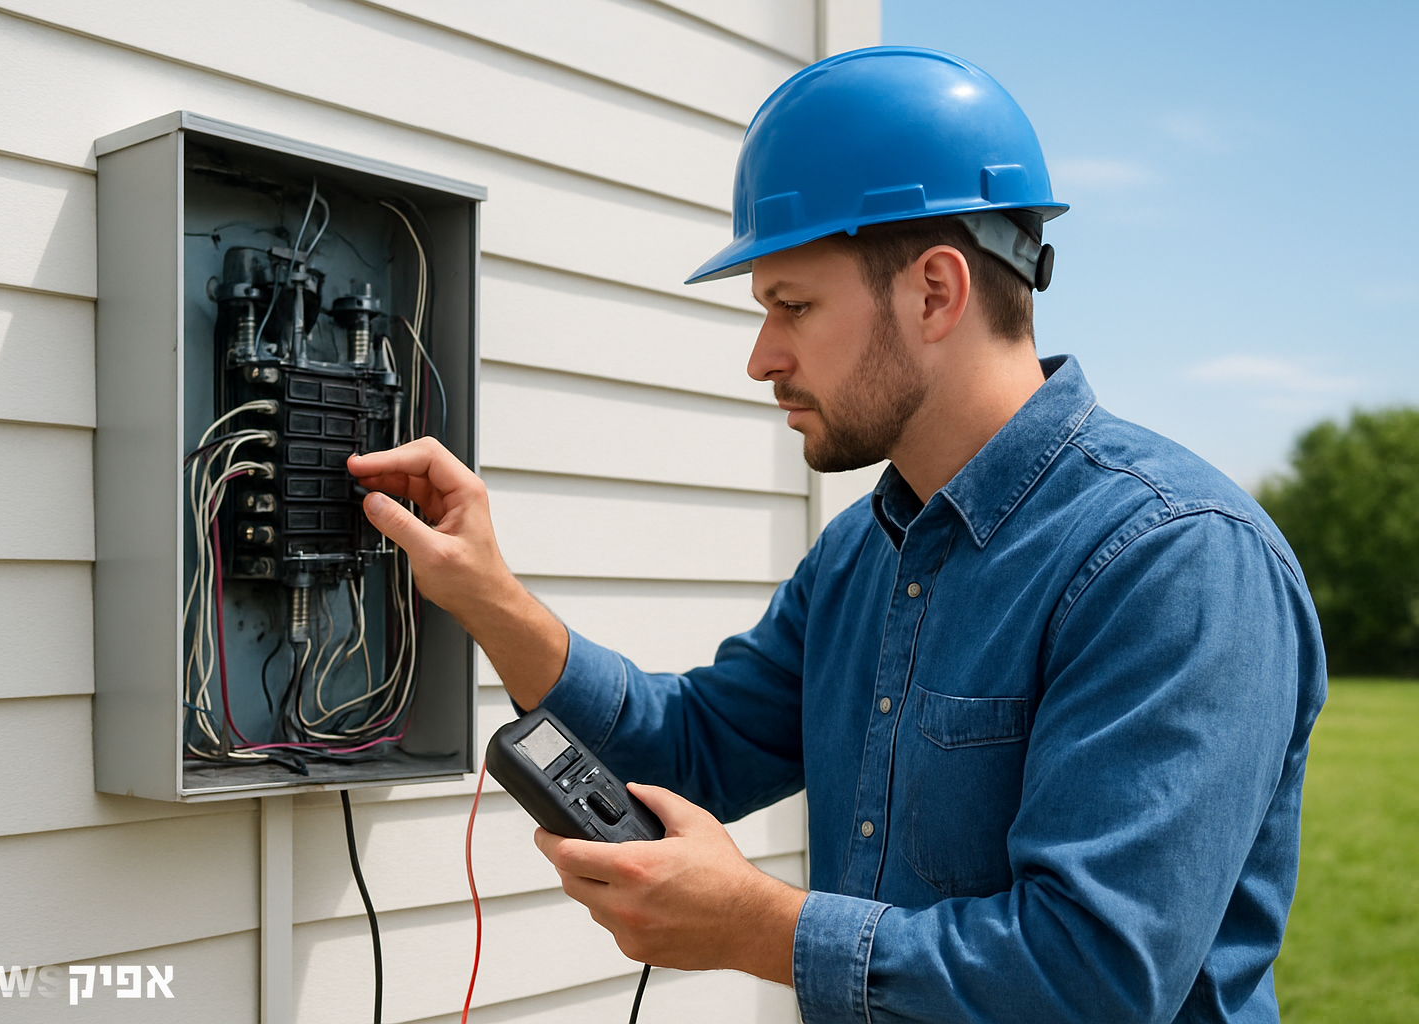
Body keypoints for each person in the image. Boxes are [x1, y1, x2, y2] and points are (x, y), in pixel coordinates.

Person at [348, 47, 1326, 1024]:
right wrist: (483, 590)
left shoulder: (1176, 559)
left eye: (794, 305)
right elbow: (695, 747)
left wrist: (756, 926)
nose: (760, 356)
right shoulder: (863, 554)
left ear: (936, 293)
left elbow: (1090, 977)